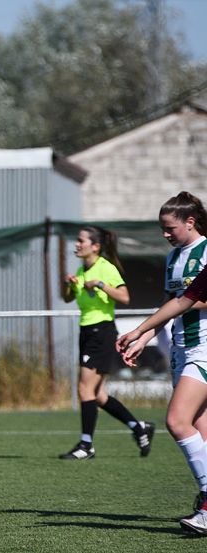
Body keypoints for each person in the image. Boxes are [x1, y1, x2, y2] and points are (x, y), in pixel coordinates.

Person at [117, 192, 207, 533]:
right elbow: (173, 303)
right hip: (182, 349)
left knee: (176, 420)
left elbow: (188, 301)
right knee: (200, 427)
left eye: (170, 228)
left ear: (190, 222)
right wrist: (144, 337)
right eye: (161, 228)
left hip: (205, 348)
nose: (165, 234)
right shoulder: (172, 258)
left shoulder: (206, 252)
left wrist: (186, 303)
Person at [59, 226, 154, 460]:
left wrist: (101, 284)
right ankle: (138, 427)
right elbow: (68, 298)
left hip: (101, 332)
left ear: (96, 246)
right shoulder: (82, 269)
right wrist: (70, 285)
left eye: (81, 241)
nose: (76, 245)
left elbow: (125, 296)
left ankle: (86, 445)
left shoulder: (105, 268)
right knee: (98, 394)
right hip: (87, 331)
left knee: (84, 389)